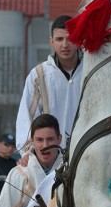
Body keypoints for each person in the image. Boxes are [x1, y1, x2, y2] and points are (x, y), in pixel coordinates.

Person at [15, 15, 82, 152]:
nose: (65, 44)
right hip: (51, 157)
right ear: (51, 41)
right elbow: (26, 118)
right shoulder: (39, 75)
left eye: (70, 38)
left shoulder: (90, 71)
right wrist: (28, 153)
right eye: (59, 39)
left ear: (78, 39)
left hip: (87, 152)